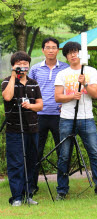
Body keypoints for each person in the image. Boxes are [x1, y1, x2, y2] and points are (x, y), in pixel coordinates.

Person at [54, 41, 97, 199]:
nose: (73, 55)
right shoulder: (62, 74)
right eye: (69, 53)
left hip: (86, 118)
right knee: (64, 155)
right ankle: (62, 189)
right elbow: (57, 97)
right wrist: (71, 96)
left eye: (75, 51)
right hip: (67, 119)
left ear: (80, 53)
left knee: (94, 153)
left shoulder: (90, 71)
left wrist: (85, 83)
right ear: (67, 56)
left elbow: (95, 94)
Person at [2, 51, 43, 206]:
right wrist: (14, 77)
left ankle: (28, 194)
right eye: (19, 64)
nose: (22, 67)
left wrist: (30, 106)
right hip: (14, 130)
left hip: (32, 129)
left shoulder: (33, 83)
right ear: (13, 66)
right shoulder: (7, 82)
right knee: (16, 163)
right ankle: (17, 197)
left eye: (25, 64)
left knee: (31, 162)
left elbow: (40, 105)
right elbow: (7, 96)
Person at [28, 37, 69, 193]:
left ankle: (62, 187)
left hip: (60, 116)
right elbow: (30, 90)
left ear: (58, 50)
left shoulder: (65, 68)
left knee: (63, 152)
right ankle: (32, 186)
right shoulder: (35, 69)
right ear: (43, 50)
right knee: (35, 151)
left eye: (54, 47)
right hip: (39, 115)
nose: (51, 50)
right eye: (47, 47)